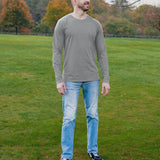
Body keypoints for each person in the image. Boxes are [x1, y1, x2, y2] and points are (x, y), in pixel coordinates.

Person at [53, 0, 110, 159]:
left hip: (92, 78)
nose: (88, 1)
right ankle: (66, 155)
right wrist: (59, 79)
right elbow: (57, 52)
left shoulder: (95, 25)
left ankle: (93, 150)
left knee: (93, 115)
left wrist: (106, 78)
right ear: (74, 1)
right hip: (70, 79)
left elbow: (102, 53)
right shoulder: (63, 23)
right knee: (69, 117)